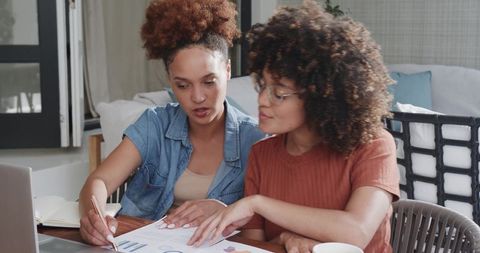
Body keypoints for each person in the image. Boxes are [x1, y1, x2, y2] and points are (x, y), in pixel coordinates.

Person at [188, 1, 400, 252]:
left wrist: (257, 204)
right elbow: (255, 246)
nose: (262, 101)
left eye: (279, 94)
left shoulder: (373, 146)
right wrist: (285, 240)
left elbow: (356, 232)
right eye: (262, 86)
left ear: (318, 98)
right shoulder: (262, 155)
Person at [78, 0, 265, 246]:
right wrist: (94, 218)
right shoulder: (154, 125)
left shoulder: (256, 141)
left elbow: (266, 225)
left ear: (228, 70)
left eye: (209, 81)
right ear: (169, 79)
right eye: (183, 85)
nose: (197, 97)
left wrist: (226, 212)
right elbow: (99, 181)